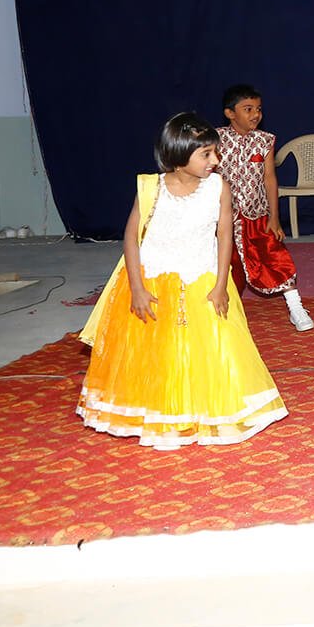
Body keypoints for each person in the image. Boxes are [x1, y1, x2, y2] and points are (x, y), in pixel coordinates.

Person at [76, 112, 288, 448]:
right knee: (158, 350)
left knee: (211, 347)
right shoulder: (151, 187)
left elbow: (224, 235)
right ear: (178, 155)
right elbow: (131, 238)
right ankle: (162, 412)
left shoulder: (218, 187)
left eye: (215, 153)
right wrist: (137, 288)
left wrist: (221, 284)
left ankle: (206, 409)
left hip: (202, 279)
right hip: (153, 281)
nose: (215, 161)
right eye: (206, 154)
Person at [217, 84, 313, 331]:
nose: (255, 114)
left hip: (257, 214)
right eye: (248, 109)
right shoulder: (215, 140)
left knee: (275, 255)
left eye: (258, 109)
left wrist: (274, 217)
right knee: (228, 265)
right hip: (224, 217)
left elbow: (269, 178)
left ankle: (295, 307)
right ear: (230, 113)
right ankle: (225, 313)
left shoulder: (265, 140)